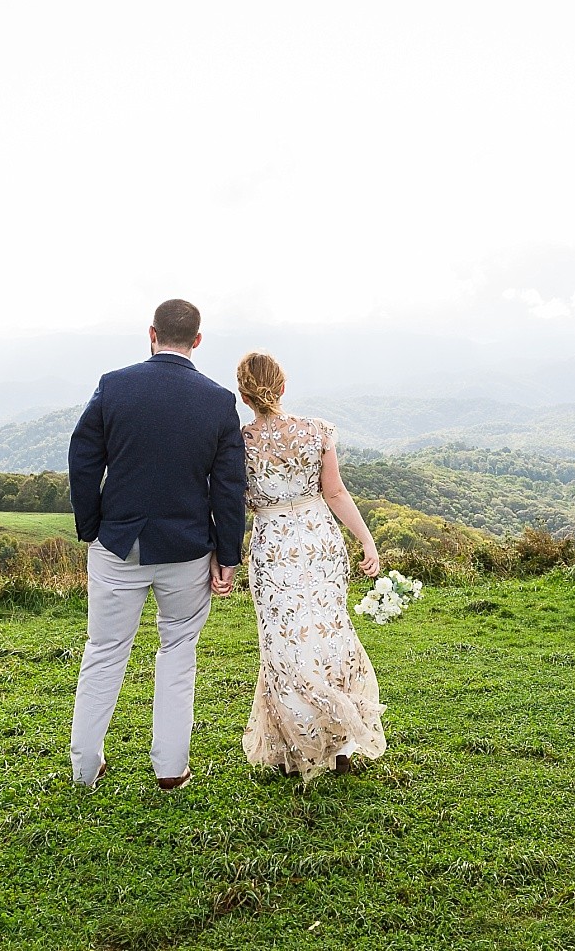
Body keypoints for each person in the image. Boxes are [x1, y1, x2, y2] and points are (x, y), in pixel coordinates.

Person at [67, 299, 246, 792]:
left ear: (152, 333)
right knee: (178, 652)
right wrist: (227, 554)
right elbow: (229, 487)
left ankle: (85, 768)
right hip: (187, 548)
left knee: (103, 652)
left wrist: (92, 527)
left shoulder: (114, 385)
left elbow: (83, 459)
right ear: (198, 340)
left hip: (116, 542)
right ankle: (170, 769)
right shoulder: (217, 400)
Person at [235, 351, 386, 782]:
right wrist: (366, 540)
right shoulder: (315, 431)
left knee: (284, 642)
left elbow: (235, 500)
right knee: (330, 634)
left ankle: (298, 743)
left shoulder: (239, 443)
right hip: (320, 540)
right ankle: (340, 743)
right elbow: (335, 493)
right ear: (282, 388)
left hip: (273, 547)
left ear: (245, 396)